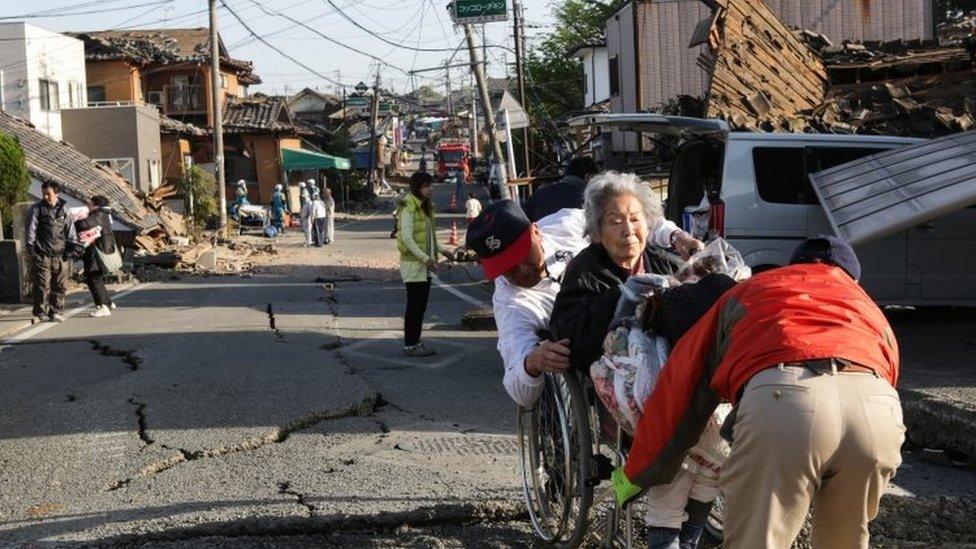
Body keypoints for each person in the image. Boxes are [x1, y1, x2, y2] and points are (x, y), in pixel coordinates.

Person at [615, 235, 904, 549]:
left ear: (792, 267)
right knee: (843, 542)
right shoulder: (867, 306)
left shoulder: (753, 289)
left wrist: (643, 469)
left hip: (786, 400)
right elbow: (889, 374)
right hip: (876, 410)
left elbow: (684, 382)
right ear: (853, 278)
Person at [548, 172, 712, 549]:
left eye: (635, 219)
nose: (628, 230)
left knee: (718, 435)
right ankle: (671, 536)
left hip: (676, 382)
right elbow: (574, 337)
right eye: (615, 220)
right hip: (623, 397)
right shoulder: (586, 271)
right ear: (596, 229)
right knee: (680, 437)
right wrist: (628, 301)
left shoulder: (663, 261)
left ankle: (688, 533)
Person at [466, 201, 589, 407]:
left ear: (536, 232)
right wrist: (532, 363)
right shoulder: (510, 302)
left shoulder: (568, 224)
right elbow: (518, 388)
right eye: (508, 267)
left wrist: (662, 233)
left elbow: (629, 216)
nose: (522, 270)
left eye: (523, 255)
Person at [396, 171, 439, 357]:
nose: (430, 189)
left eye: (430, 185)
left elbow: (428, 238)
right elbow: (407, 239)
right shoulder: (409, 208)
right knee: (414, 307)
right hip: (414, 267)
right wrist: (426, 259)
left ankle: (415, 341)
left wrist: (443, 250)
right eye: (426, 185)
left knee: (420, 307)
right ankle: (410, 345)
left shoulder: (424, 208)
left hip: (424, 268)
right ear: (417, 187)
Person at [25, 181, 79, 323]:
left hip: (60, 254)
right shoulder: (37, 209)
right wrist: (31, 249)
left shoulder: (64, 210)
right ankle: (40, 311)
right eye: (43, 194)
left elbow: (70, 230)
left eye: (48, 194)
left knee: (60, 285)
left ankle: (56, 311)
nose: (45, 197)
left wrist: (72, 247)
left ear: (57, 193)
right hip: (42, 253)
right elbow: (31, 230)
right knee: (42, 285)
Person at [74, 195, 117, 317]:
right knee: (93, 277)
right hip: (97, 249)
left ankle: (104, 306)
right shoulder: (104, 213)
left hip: (97, 251)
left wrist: (73, 222)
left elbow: (85, 224)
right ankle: (107, 302)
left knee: (94, 277)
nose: (88, 206)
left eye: (90, 204)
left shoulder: (99, 214)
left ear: (96, 205)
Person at [521, 156, 599, 222]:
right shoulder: (589, 200)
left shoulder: (539, 194)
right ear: (588, 177)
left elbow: (522, 221)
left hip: (541, 238)